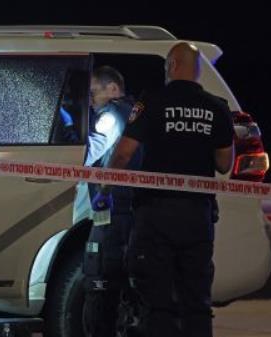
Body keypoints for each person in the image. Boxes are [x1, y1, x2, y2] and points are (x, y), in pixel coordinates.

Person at [92, 42, 235, 337]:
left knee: (157, 301)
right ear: (196, 70)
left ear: (171, 66)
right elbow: (224, 163)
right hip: (198, 216)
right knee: (196, 300)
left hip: (156, 214)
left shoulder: (151, 101)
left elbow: (123, 155)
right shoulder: (217, 107)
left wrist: (105, 187)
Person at [61, 66, 143, 337]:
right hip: (130, 209)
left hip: (112, 210)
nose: (90, 99)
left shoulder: (110, 116)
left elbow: (86, 156)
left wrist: (69, 125)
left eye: (93, 92)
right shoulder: (134, 113)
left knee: (99, 277)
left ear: (112, 89)